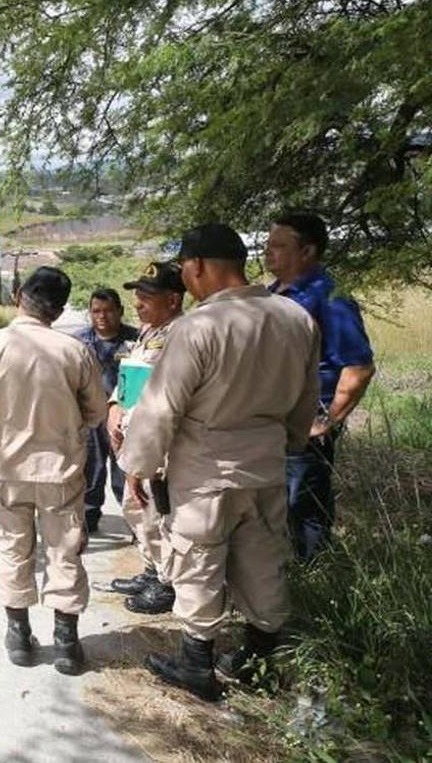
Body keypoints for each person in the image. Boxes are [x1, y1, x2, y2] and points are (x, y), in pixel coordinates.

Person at [120, 224, 320, 701]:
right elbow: (306, 400)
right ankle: (257, 661)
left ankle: (195, 664)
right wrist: (288, 443)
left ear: (198, 266)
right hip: (267, 464)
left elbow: (162, 407)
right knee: (263, 559)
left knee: (198, 560)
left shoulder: (197, 327)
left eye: (187, 270)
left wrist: (139, 466)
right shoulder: (296, 318)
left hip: (206, 471)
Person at [0, 267, 108, 675]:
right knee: (64, 553)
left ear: (18, 295)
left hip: (6, 474)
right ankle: (66, 644)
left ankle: (19, 638)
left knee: (12, 552)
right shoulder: (75, 351)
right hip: (61, 474)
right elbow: (96, 412)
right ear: (59, 310)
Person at [265, 211, 375, 560]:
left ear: (308, 251)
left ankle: (311, 583)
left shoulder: (329, 296)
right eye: (268, 245)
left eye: (279, 246)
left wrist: (326, 421)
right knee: (273, 508)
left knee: (303, 509)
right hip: (269, 423)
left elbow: (358, 367)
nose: (269, 253)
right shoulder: (269, 295)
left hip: (305, 425)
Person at [106, 261, 185, 615]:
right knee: (136, 509)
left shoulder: (179, 335)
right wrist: (114, 407)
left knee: (156, 511)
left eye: (146, 297)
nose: (138, 303)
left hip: (158, 445)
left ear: (173, 299)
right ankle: (152, 568)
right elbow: (131, 378)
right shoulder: (149, 332)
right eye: (136, 296)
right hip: (133, 437)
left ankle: (167, 583)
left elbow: (163, 397)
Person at [72, 289, 138, 533]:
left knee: (126, 472)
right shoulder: (78, 342)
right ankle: (88, 519)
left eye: (108, 310)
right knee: (91, 471)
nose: (102, 316)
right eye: (96, 310)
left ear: (120, 311)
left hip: (125, 419)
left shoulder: (137, 339)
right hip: (90, 419)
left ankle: (135, 526)